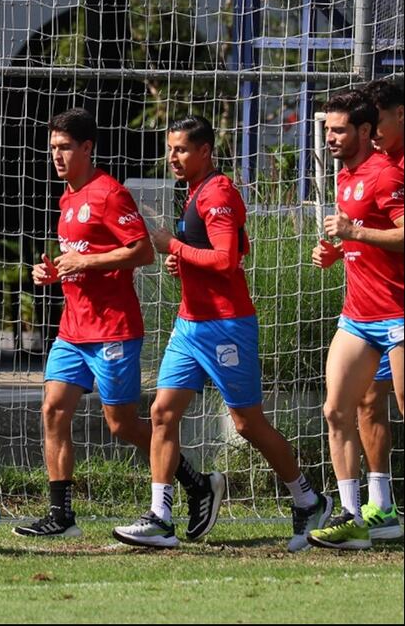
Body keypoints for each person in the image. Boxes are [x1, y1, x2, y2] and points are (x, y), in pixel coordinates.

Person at [112, 115, 329, 551]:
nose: (173, 157)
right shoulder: (194, 190)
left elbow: (227, 259)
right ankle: (160, 517)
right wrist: (181, 259)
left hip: (226, 326)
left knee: (247, 424)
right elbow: (221, 250)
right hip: (189, 324)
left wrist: (173, 246)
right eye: (170, 149)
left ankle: (308, 500)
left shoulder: (218, 192)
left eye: (181, 150)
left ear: (205, 151)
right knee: (162, 413)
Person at [14, 108, 224, 541]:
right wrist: (55, 272)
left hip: (112, 328)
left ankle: (196, 483)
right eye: (52, 148)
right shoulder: (67, 198)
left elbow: (142, 251)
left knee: (122, 424)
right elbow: (79, 258)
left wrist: (85, 261)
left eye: (65, 147)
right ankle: (61, 515)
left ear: (87, 148)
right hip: (72, 329)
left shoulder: (109, 194)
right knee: (53, 410)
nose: (56, 156)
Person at [308, 90, 404, 550]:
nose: (330, 137)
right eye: (328, 129)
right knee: (336, 410)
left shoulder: (386, 174)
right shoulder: (345, 176)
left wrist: (354, 232)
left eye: (339, 130)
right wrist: (338, 250)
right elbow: (362, 240)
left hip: (398, 314)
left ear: (364, 131)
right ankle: (353, 519)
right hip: (358, 318)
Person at [352, 78, 404, 540]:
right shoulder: (373, 166)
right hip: (374, 309)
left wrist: (356, 234)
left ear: (400, 114)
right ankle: (381, 508)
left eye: (378, 120)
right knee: (368, 401)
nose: (372, 132)